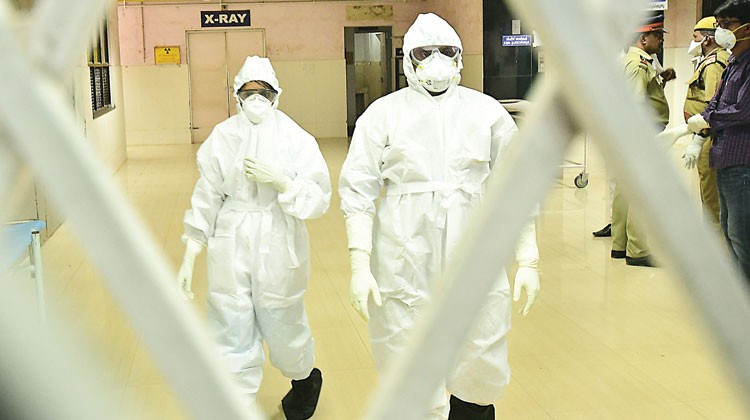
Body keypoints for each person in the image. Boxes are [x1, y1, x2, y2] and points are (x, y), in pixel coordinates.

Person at [339, 13, 540, 420]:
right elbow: (358, 191)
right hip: (404, 244)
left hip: (474, 240)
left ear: (460, 56)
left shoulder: (486, 112)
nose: (436, 60)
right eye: (424, 52)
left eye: (446, 51)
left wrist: (529, 259)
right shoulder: (383, 114)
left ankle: (471, 409)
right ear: (407, 60)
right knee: (405, 339)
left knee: (480, 337)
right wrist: (359, 265)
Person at [175, 56, 331, 419]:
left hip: (279, 237)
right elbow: (207, 194)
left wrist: (284, 183)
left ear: (277, 94)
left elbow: (319, 198)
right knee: (229, 320)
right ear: (236, 95)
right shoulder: (223, 137)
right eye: (249, 92)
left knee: (283, 319)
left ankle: (304, 379)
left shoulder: (296, 138)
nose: (256, 99)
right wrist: (191, 249)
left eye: (264, 92)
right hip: (231, 237)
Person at [687, 0, 750, 283]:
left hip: (742, 162)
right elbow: (716, 100)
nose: (722, 31)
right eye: (720, 25)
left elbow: (743, 110)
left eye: (728, 24)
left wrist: (707, 120)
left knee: (741, 235)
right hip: (724, 158)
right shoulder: (733, 62)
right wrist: (701, 122)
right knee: (729, 230)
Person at [612, 19, 675, 267]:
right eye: (658, 36)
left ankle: (620, 244)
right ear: (643, 39)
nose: (661, 40)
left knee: (625, 190)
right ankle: (637, 250)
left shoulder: (635, 61)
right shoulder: (638, 63)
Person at [683, 16, 730, 231]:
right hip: (706, 135)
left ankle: (715, 241)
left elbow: (713, 104)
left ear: (707, 39)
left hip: (709, 137)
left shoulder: (714, 63)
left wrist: (699, 139)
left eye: (695, 36)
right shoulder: (711, 60)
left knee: (711, 196)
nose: (692, 41)